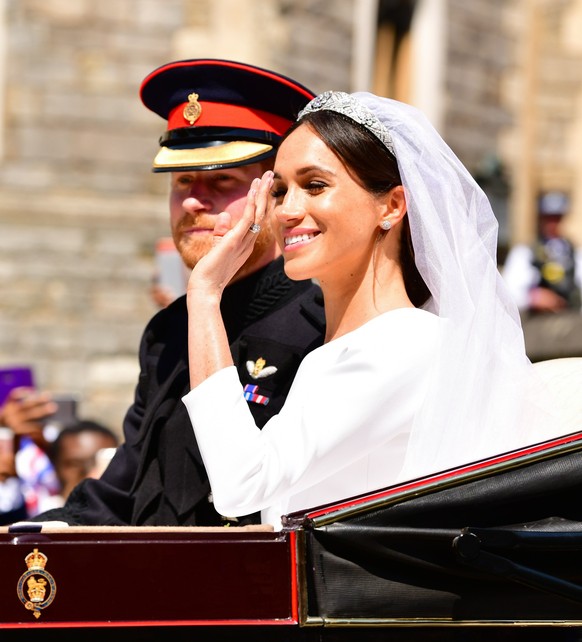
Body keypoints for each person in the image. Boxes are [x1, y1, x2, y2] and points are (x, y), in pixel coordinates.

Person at [181, 91, 563, 529]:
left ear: (392, 206)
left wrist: (205, 293)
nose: (286, 211)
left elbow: (242, 484)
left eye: (315, 185)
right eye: (281, 190)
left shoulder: (403, 345)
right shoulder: (346, 349)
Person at [29, 59, 324, 527]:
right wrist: (40, 530)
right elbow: (126, 485)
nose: (192, 200)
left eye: (221, 180)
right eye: (183, 181)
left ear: (275, 195)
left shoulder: (320, 319)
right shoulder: (168, 329)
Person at [503, 191, 582, 314]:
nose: (552, 223)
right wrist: (535, 298)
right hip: (537, 323)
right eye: (548, 218)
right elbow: (508, 294)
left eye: (557, 218)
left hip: (569, 320)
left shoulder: (574, 253)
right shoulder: (525, 253)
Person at [50, 420, 119, 503]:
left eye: (99, 463)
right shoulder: (39, 510)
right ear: (54, 466)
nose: (91, 475)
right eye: (75, 465)